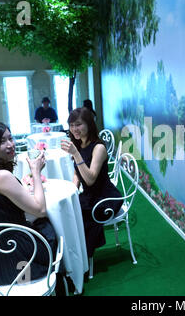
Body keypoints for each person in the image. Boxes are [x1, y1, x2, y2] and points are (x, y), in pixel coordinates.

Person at [0, 120, 57, 286]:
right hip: (19, 256)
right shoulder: (1, 176)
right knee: (49, 226)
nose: (11, 144)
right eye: (2, 141)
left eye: (10, 138)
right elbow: (40, 209)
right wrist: (35, 172)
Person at [60, 107, 123, 258]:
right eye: (72, 125)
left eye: (79, 124)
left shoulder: (99, 147)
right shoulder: (80, 144)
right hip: (90, 195)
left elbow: (90, 179)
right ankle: (70, 255)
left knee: (79, 215)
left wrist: (75, 154)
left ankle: (83, 256)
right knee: (67, 210)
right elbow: (77, 172)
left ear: (89, 124)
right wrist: (73, 192)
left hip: (106, 197)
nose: (74, 129)